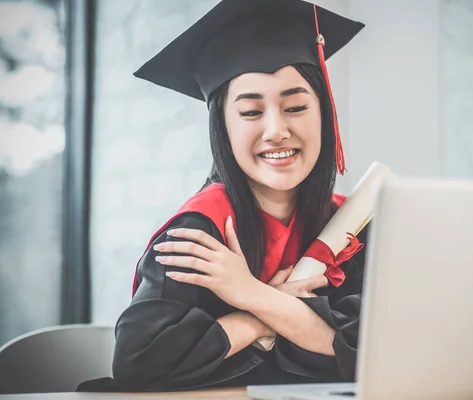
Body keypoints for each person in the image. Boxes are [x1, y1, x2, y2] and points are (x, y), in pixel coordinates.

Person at [79, 0, 367, 392]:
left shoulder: (349, 227)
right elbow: (141, 361)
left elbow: (369, 351)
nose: (275, 130)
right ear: (223, 128)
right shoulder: (198, 233)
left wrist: (252, 295)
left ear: (324, 113)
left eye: (296, 106)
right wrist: (263, 315)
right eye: (250, 112)